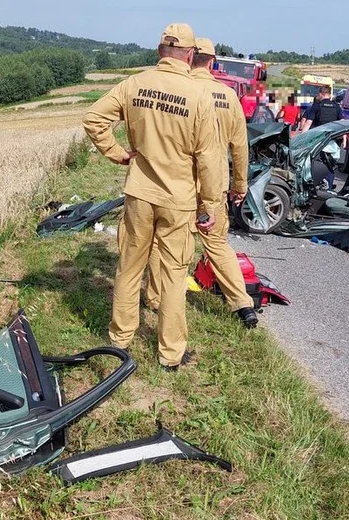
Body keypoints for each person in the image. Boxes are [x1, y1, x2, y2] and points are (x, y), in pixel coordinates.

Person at [82, 23, 220, 371]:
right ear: (190, 55)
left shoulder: (135, 84)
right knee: (174, 274)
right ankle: (170, 354)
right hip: (179, 199)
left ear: (160, 51)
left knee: (129, 267)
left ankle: (120, 339)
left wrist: (118, 153)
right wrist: (211, 204)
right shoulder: (200, 95)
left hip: (139, 193)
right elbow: (208, 157)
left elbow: (94, 118)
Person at [144, 37, 259, 329]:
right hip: (214, 184)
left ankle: (156, 298)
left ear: (188, 57)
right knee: (218, 244)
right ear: (212, 61)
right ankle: (243, 304)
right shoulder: (227, 96)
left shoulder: (181, 91)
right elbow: (240, 147)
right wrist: (240, 185)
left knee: (163, 242)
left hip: (178, 183)